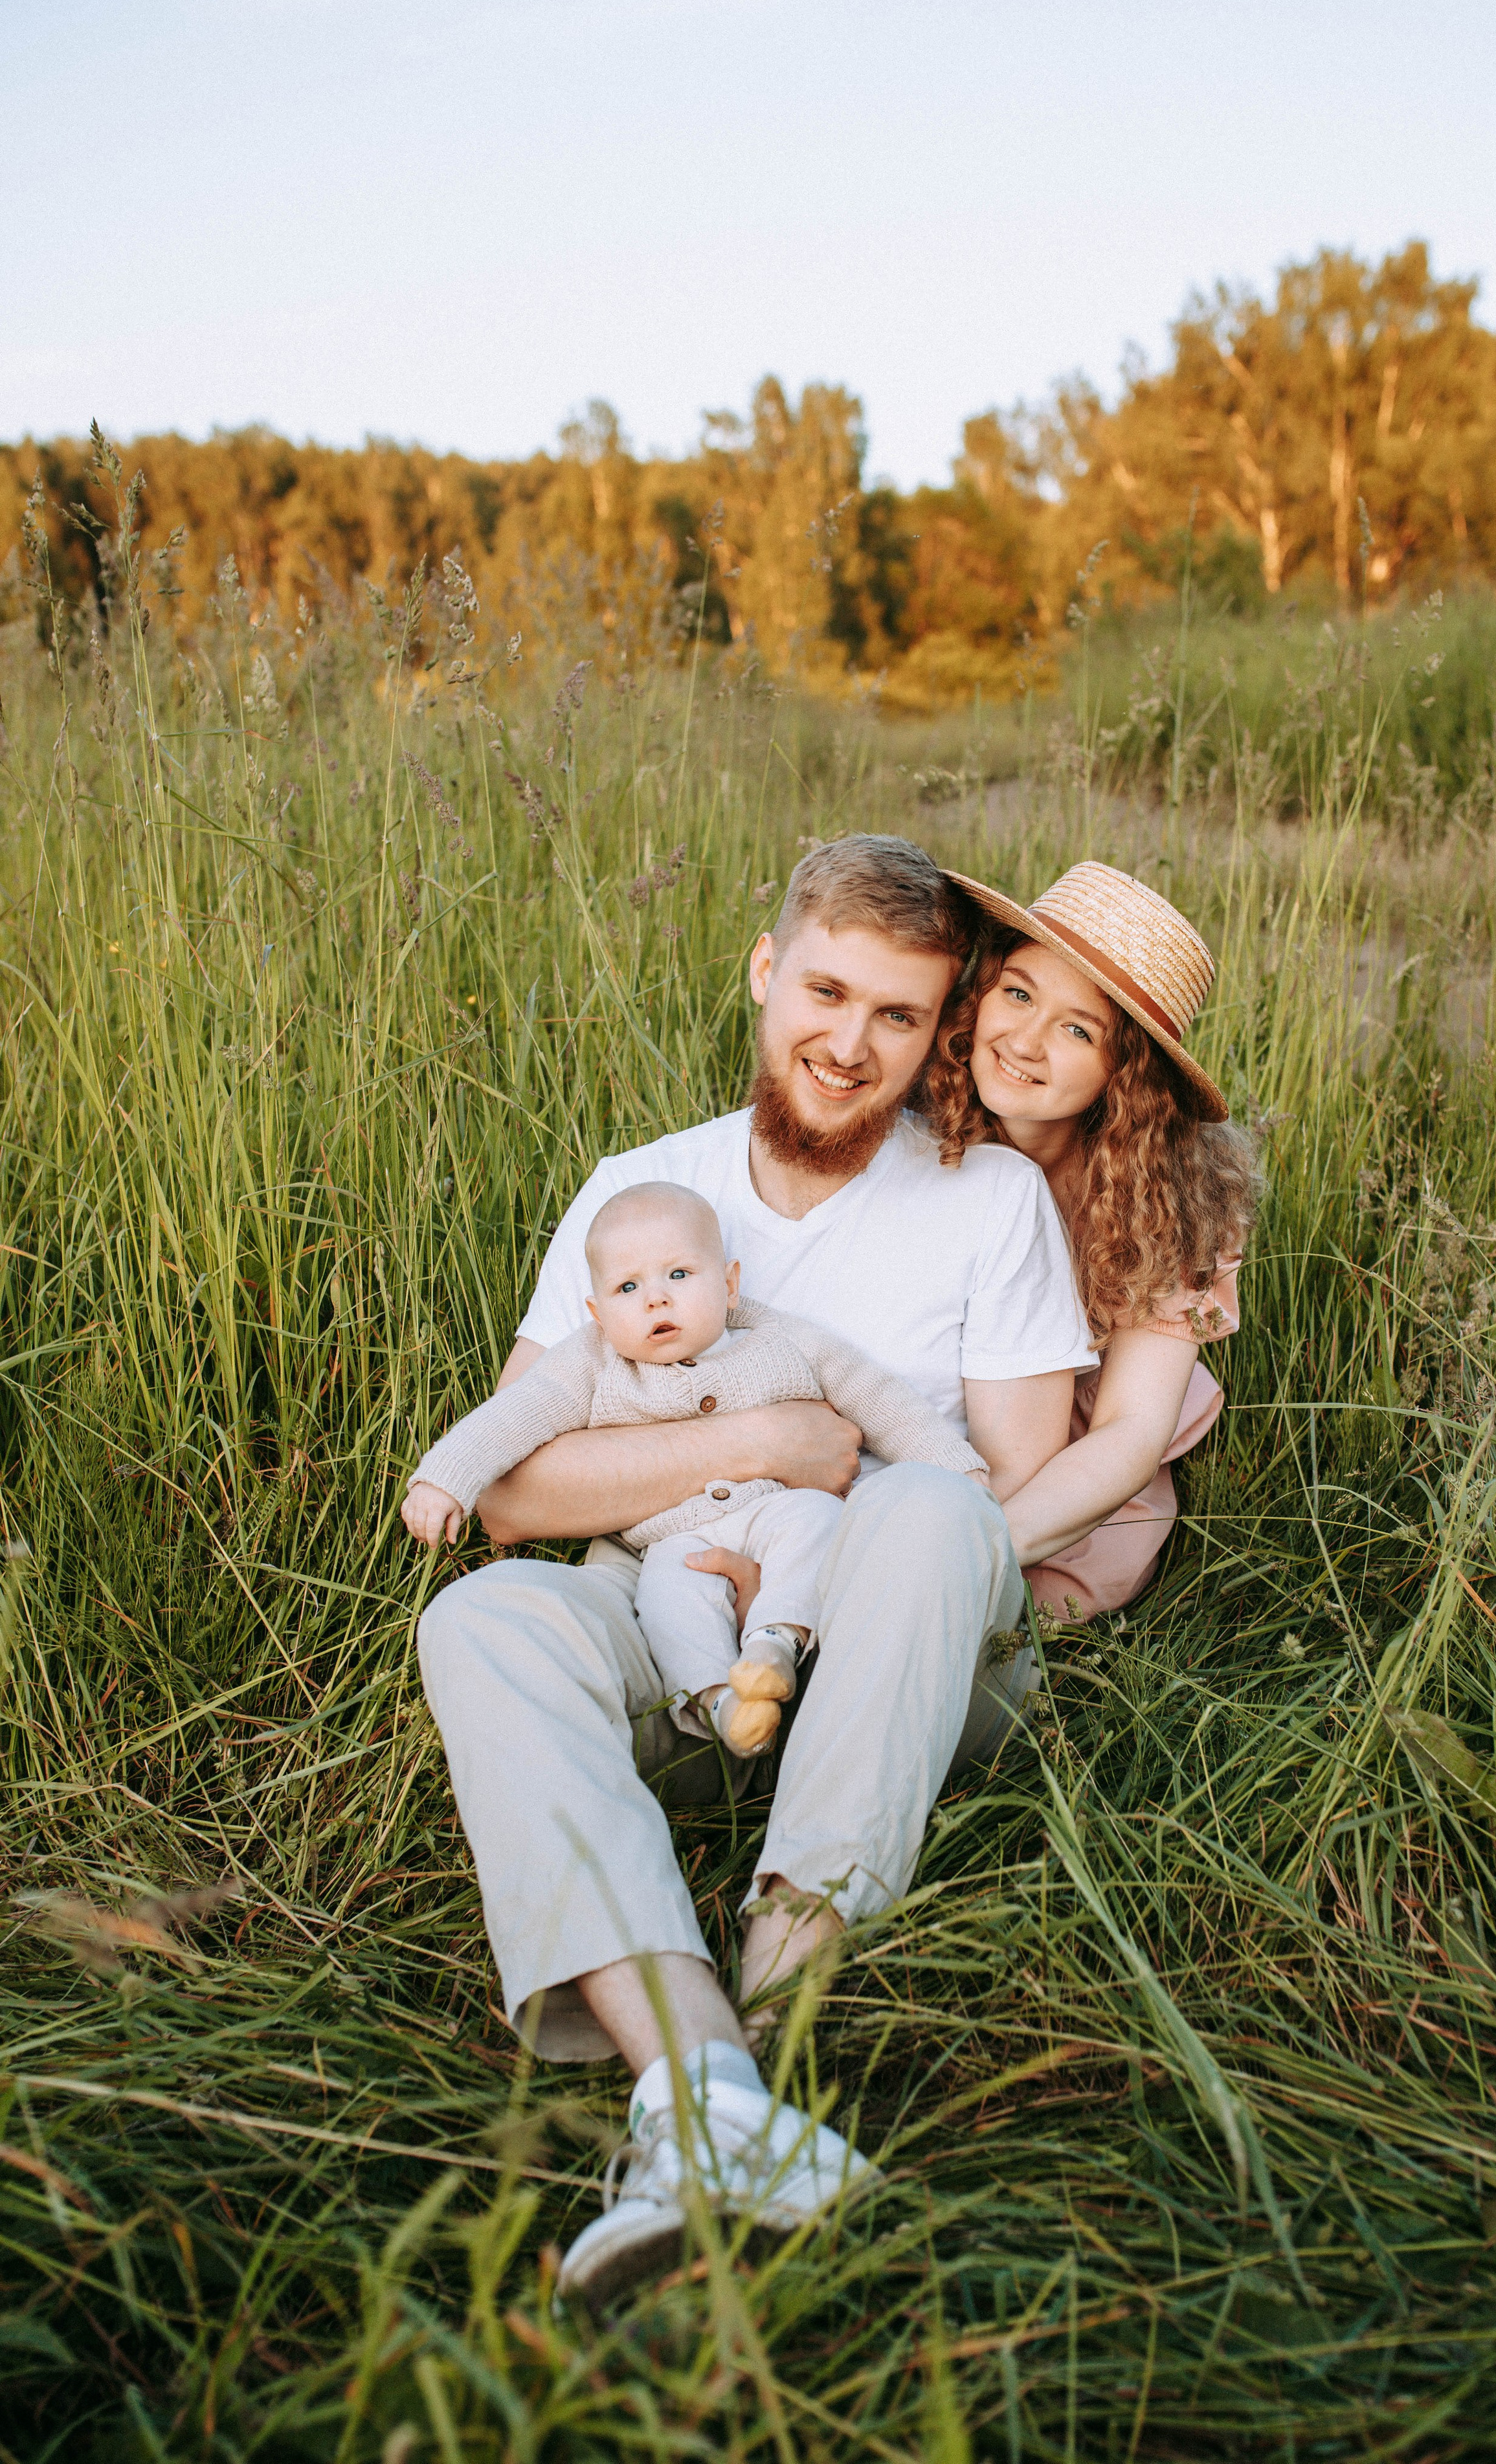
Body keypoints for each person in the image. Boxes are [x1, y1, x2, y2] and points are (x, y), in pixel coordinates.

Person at [416, 833, 1093, 2307]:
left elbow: (1006, 1497)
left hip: (891, 1657)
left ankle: (780, 1996)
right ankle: (710, 2092)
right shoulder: (641, 1189)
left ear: (937, 1029)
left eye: (898, 1014)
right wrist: (776, 1435)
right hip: (666, 1623)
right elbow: (520, 1486)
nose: (850, 1042)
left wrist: (833, 1480)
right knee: (483, 1620)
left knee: (925, 1514)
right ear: (765, 972)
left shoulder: (986, 1200)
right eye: (827, 991)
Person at [402, 1180, 990, 1757]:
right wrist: (444, 1476)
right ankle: (720, 1705)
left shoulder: (778, 1338)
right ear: (598, 1313)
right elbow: (513, 1416)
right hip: (668, 1543)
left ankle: (775, 1646)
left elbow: (878, 1397)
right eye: (628, 1287)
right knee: (668, 1604)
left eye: (679, 1275)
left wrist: (955, 1469)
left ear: (730, 1285)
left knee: (816, 1522)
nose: (656, 1298)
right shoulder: (589, 1363)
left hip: (774, 1509)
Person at [932, 861, 1262, 1615]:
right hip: (928, 1390)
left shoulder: (1172, 1199)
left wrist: (968, 1556)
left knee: (1027, 1607)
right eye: (1017, 993)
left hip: (1075, 1459)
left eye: (1077, 1030)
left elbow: (1128, 1431)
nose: (1026, 1040)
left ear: (1125, 1075)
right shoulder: (923, 1107)